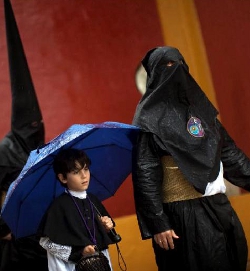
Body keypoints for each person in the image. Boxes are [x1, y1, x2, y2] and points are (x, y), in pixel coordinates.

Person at [131, 46, 250, 271]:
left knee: (235, 258)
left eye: (176, 66)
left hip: (218, 206)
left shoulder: (201, 111)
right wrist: (158, 223)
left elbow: (230, 154)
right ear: (154, 75)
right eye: (165, 68)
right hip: (182, 216)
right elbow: (145, 173)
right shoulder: (147, 119)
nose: (173, 73)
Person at [38, 148, 116, 271]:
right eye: (76, 172)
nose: (84, 175)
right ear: (63, 178)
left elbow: (100, 232)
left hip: (99, 263)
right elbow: (46, 242)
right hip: (70, 266)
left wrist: (106, 227)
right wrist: (80, 251)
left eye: (86, 169)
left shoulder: (93, 200)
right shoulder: (59, 206)